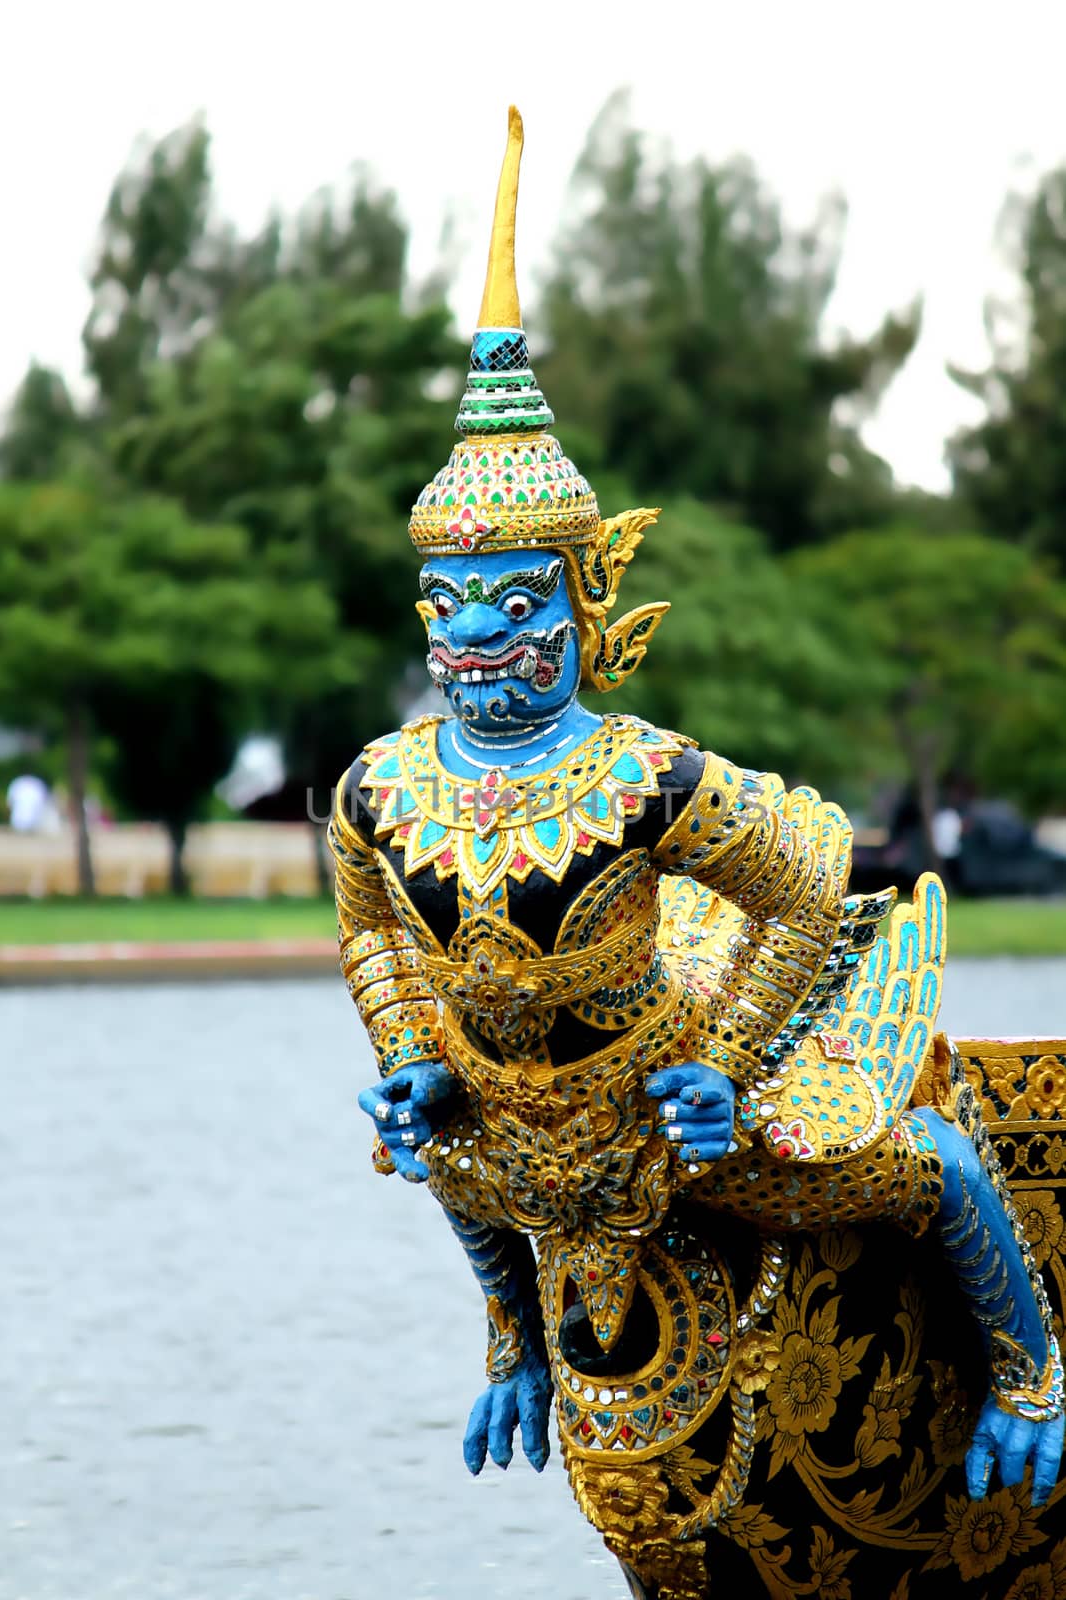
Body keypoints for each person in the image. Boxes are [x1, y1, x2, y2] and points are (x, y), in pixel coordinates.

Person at [327, 110, 1063, 1597]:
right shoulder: (378, 785)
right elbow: (369, 925)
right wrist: (411, 1044)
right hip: (518, 1109)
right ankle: (518, 1351)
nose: (476, 637)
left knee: (903, 1167)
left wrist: (724, 1061)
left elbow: (804, 865)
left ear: (579, 602)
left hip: (676, 1088)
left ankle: (1030, 1368)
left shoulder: (638, 771)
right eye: (450, 602)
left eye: (513, 600)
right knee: (452, 1167)